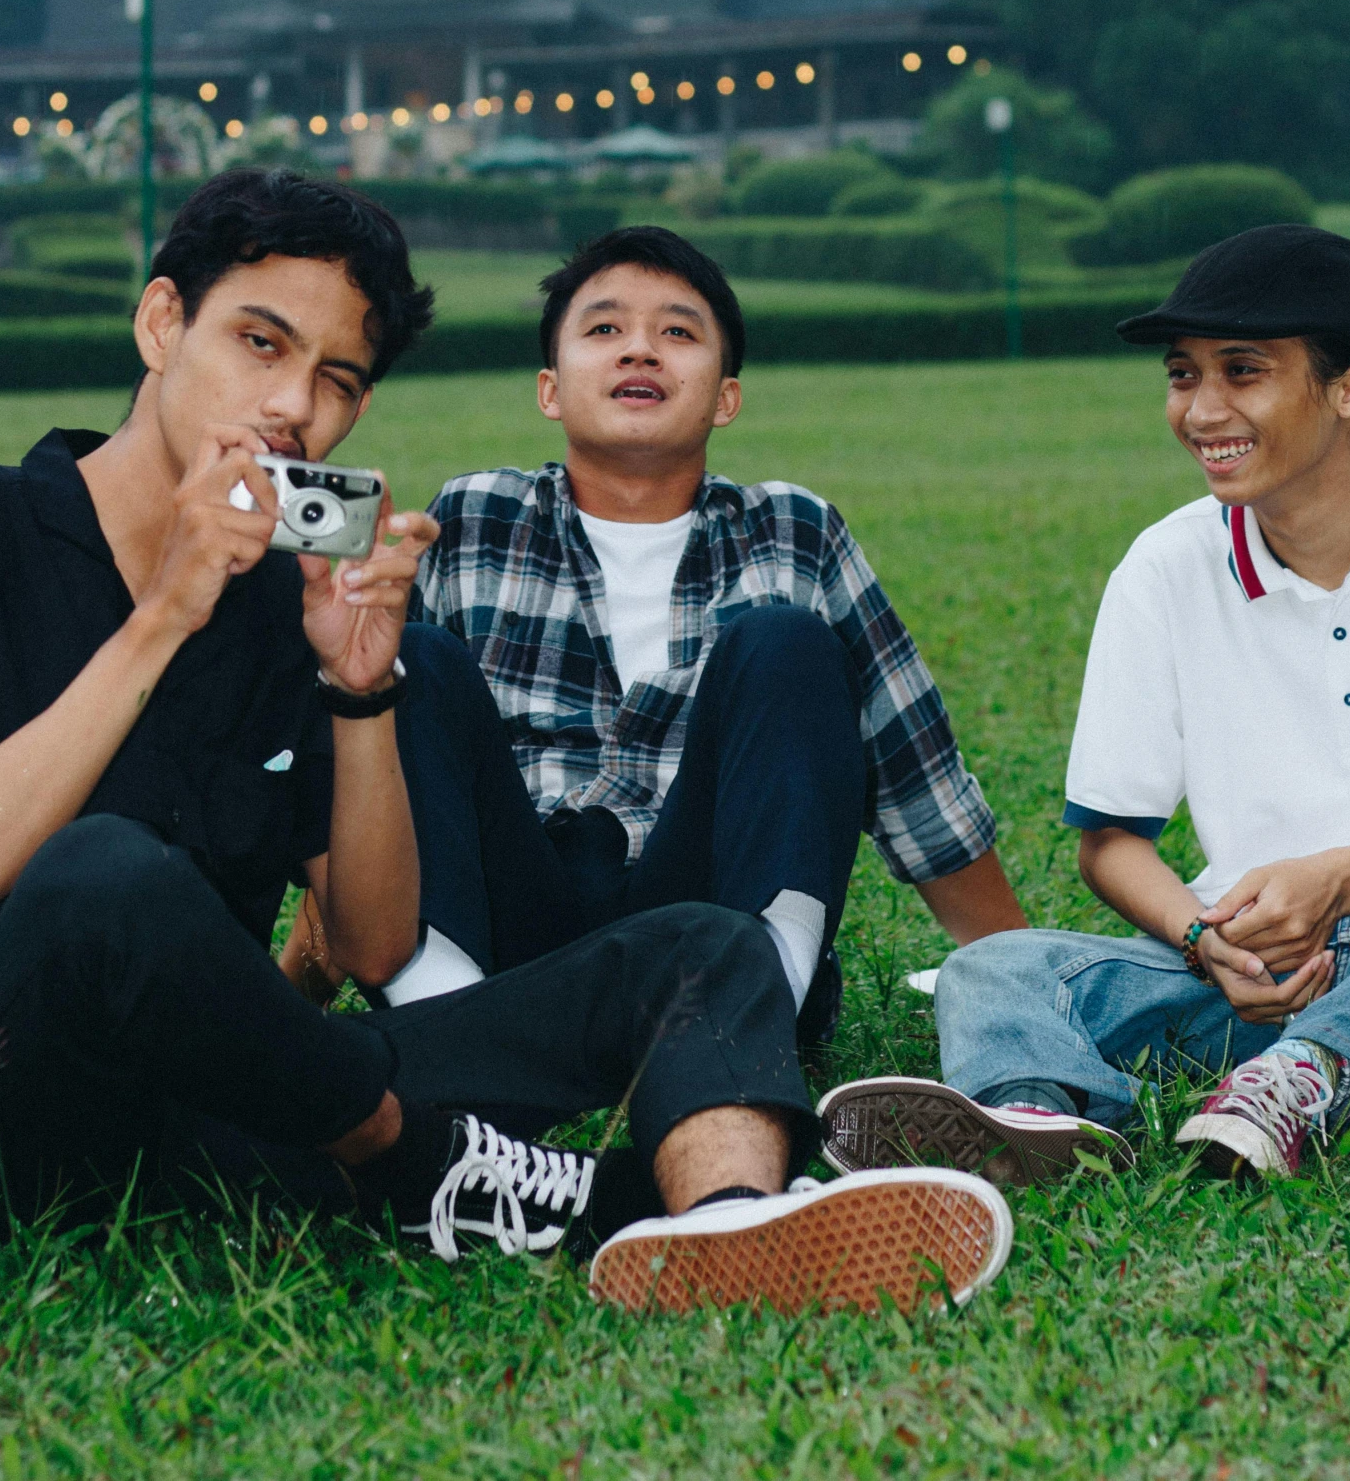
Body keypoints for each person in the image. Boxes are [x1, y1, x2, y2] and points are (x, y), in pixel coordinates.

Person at [0, 168, 1013, 1315]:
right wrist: (163, 615)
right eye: (258, 343)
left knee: (700, 945)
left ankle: (724, 1225)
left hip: (218, 1120)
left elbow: (376, 938)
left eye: (336, 379)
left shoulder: (279, 606)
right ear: (163, 321)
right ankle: (443, 1165)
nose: (290, 407)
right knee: (106, 873)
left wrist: (363, 691)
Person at [817, 224, 1350, 1186]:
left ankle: (1316, 1075)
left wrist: (1345, 877)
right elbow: (1110, 842)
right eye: (1181, 374)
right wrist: (1204, 942)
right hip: (1258, 984)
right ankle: (1036, 1121)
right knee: (991, 970)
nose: (1200, 410)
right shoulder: (1167, 566)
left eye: (1241, 371)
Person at [360, 224, 1024, 1037]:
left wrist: (1024, 973)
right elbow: (385, 768)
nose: (639, 350)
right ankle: (446, 1028)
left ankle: (754, 1009)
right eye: (603, 330)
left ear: (724, 396)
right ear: (549, 389)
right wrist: (303, 973)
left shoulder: (793, 531)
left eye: (677, 332)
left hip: (710, 922)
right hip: (513, 930)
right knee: (411, 663)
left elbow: (913, 771)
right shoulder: (474, 516)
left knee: (782, 643)